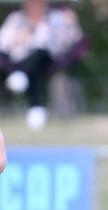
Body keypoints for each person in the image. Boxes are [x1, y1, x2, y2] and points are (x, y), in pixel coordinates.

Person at [0, 0, 83, 129]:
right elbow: (3, 42)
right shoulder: (16, 19)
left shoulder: (57, 18)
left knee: (39, 52)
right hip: (18, 59)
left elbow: (72, 39)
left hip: (49, 60)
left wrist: (70, 23)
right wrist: (18, 39)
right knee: (32, 70)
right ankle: (36, 108)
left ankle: (22, 77)